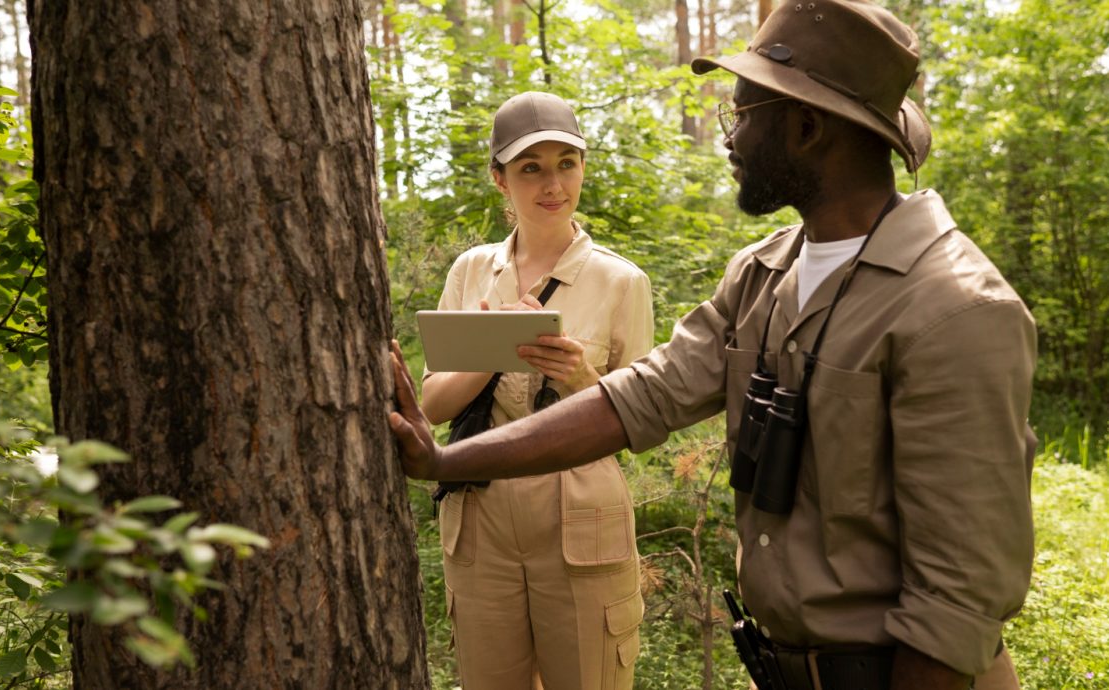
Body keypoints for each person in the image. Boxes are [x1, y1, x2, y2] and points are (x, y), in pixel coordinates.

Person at [390, 2, 1035, 689]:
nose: (728, 138)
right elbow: (640, 396)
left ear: (807, 127)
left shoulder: (955, 309)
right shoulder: (763, 275)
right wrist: (443, 459)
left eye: (743, 114)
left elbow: (957, 602)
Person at [419, 91, 654, 690]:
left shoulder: (621, 281)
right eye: (531, 169)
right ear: (500, 180)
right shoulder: (472, 272)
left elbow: (648, 421)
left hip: (580, 510)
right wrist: (493, 346)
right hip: (482, 509)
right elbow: (432, 406)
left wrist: (581, 380)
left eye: (566, 164)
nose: (553, 184)